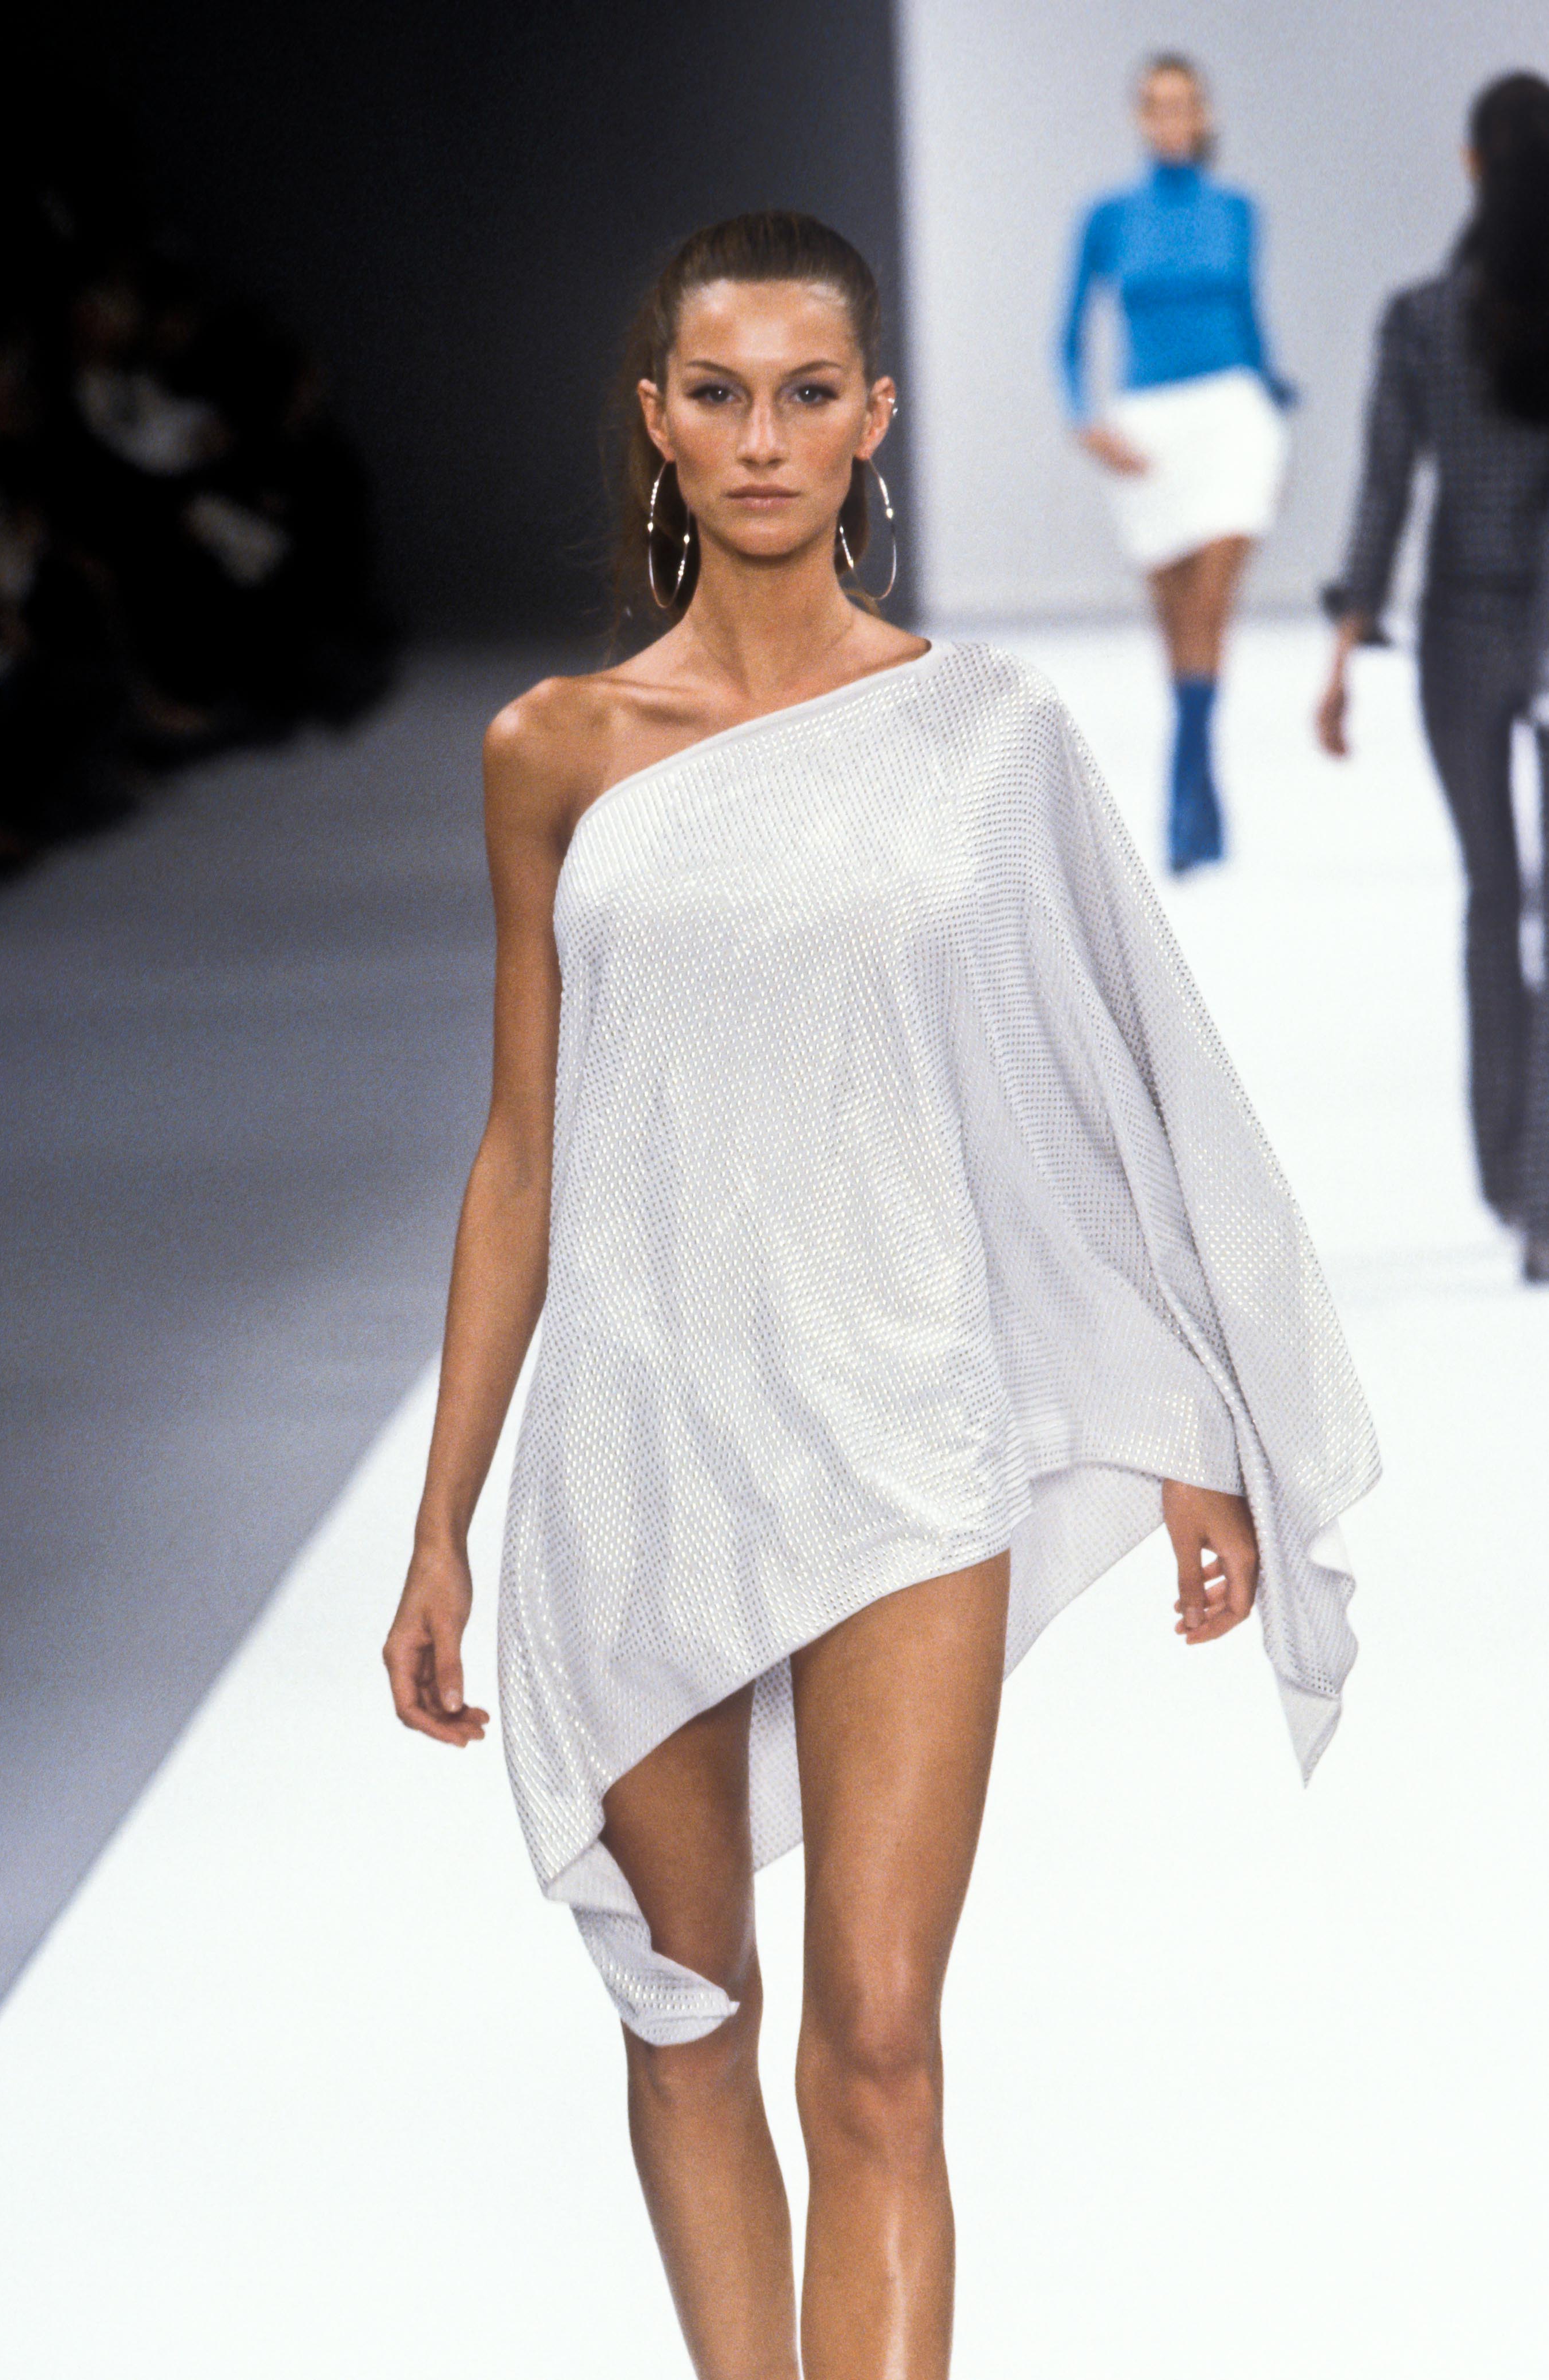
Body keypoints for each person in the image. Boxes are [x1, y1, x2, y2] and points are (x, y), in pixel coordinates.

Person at [384, 211, 1377, 2380]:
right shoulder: (554, 748)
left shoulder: (984, 736)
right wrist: (442, 1516)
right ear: (656, 421)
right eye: (719, 393)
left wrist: (1192, 1416)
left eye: (806, 392)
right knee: (685, 2019)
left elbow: (1097, 1084)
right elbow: (520, 1150)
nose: (763, 438)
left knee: (879, 2041)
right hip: (641, 1437)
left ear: (872, 418)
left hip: (912, 1430)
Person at [1318, 73, 1549, 1286]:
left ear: (1470, 165)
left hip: (1459, 633)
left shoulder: (1418, 321)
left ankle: (1511, 1175)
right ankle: (1545, 1194)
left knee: (1489, 896)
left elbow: (1385, 484)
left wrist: (1346, 637)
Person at [1059, 52, 1292, 873]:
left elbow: (1250, 318)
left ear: (1204, 114)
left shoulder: (1238, 212)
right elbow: (1066, 332)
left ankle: (1179, 793)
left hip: (1232, 416)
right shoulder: (1107, 218)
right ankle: (1205, 790)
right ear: (1139, 116)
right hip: (1149, 426)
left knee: (1211, 606)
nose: (1171, 117)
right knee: (1175, 618)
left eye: (1184, 102)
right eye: (1156, 104)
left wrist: (1272, 407)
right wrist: (1085, 422)